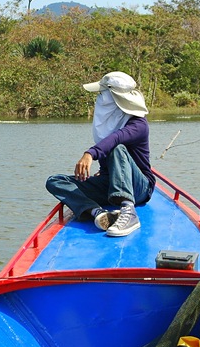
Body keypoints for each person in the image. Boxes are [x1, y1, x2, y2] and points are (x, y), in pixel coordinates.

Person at [45, 71, 155, 237]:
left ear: (113, 97)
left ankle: (128, 210)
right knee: (55, 181)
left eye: (102, 94)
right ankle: (97, 213)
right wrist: (106, 173)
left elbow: (116, 139)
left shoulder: (138, 123)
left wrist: (90, 154)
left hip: (139, 188)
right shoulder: (110, 122)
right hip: (111, 184)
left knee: (117, 148)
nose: (99, 98)